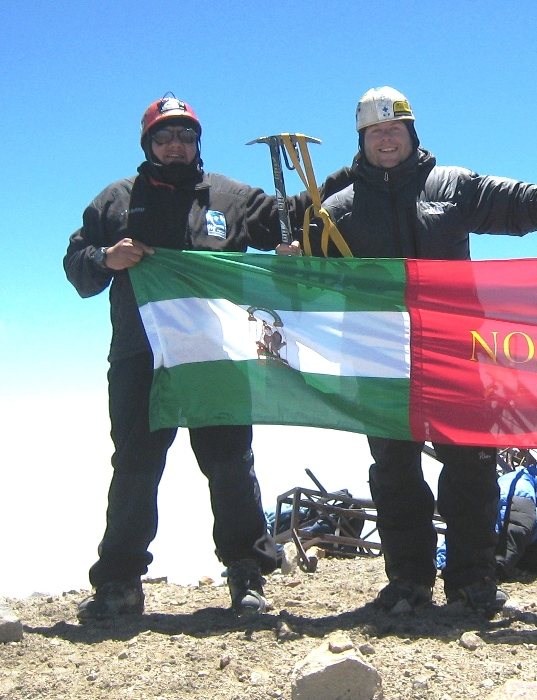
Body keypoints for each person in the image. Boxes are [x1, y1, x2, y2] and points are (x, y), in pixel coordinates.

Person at [63, 95, 349, 621]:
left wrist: (322, 205)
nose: (175, 145)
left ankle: (246, 572)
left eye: (185, 136)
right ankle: (120, 581)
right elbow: (76, 266)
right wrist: (106, 257)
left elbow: (293, 219)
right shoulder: (116, 201)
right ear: (148, 143)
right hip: (140, 356)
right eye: (164, 136)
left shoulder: (229, 197)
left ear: (198, 142)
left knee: (230, 465)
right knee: (135, 465)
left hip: (219, 355)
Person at [288, 86, 537, 614]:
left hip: (457, 349)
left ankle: (471, 580)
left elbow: (523, 207)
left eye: (395, 129)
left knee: (472, 464)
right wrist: (292, 259)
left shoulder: (453, 186)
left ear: (413, 134)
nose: (386, 139)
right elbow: (309, 287)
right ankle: (408, 581)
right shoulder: (337, 210)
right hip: (377, 354)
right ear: (361, 140)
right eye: (375, 132)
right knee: (394, 469)